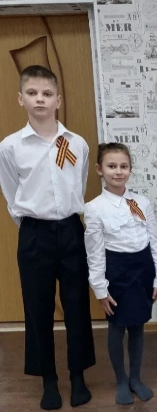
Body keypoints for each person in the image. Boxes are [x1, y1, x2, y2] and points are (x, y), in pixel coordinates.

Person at [0, 65, 95, 410]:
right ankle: (49, 380)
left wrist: (64, 219)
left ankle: (78, 376)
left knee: (77, 305)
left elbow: (79, 186)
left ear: (58, 99)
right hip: (35, 235)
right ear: (21, 98)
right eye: (32, 93)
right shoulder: (11, 146)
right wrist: (32, 225)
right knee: (37, 308)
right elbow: (11, 193)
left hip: (70, 230)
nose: (39, 99)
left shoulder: (77, 143)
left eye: (47, 93)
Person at [84, 143, 157, 405]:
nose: (118, 171)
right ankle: (121, 379)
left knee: (138, 325)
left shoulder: (142, 202)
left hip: (143, 269)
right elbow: (95, 252)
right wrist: (100, 288)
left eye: (123, 166)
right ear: (99, 169)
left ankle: (136, 378)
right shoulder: (94, 208)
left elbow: (153, 241)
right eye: (112, 166)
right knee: (117, 326)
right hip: (116, 272)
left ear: (130, 169)